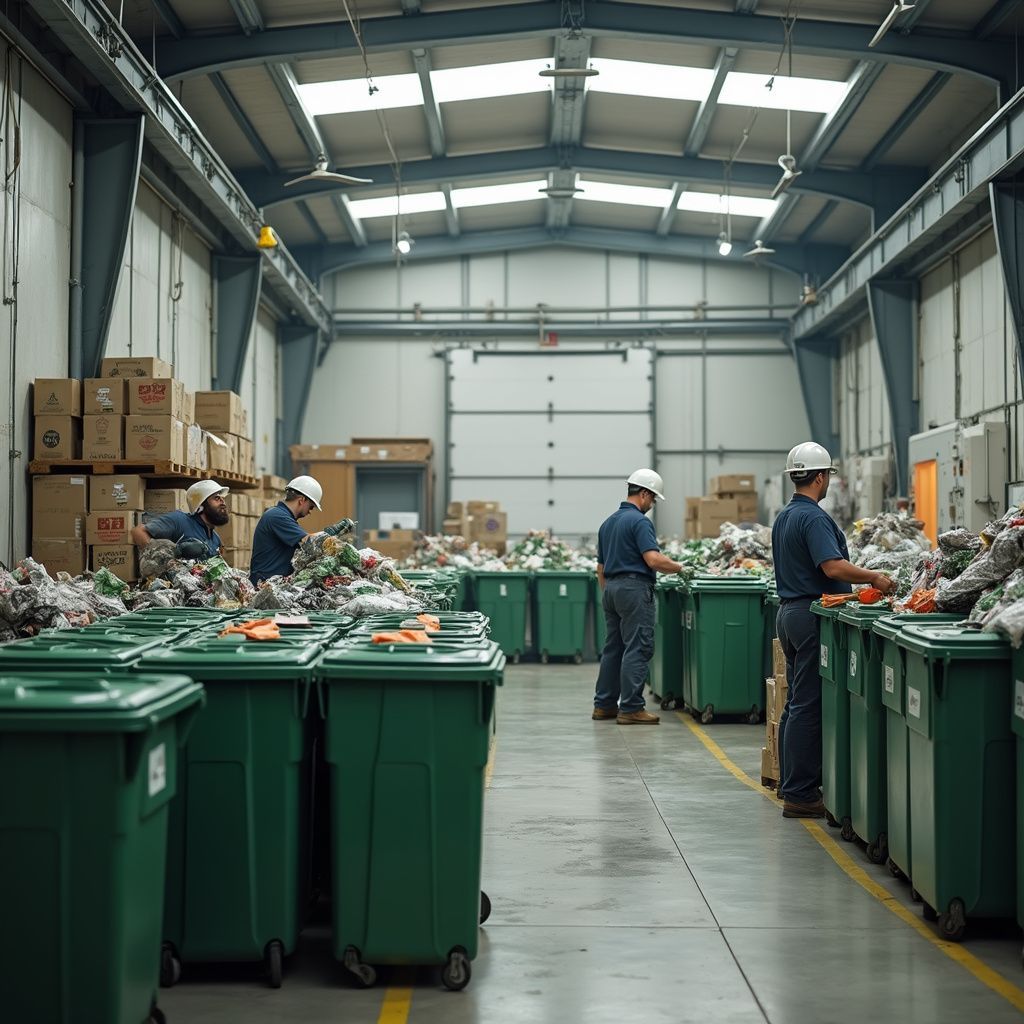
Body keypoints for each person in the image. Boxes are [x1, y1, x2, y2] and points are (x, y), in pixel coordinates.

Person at [772, 442, 894, 820]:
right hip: (809, 616)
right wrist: (873, 576)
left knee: (796, 703)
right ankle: (800, 792)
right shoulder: (813, 518)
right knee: (808, 704)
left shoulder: (785, 516)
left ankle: (790, 781)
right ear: (821, 477)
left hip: (790, 613)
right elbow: (833, 567)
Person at [592, 469, 685, 725]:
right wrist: (680, 567)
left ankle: (604, 705)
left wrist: (611, 593)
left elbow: (600, 569)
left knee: (614, 648)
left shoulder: (608, 523)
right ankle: (631, 707)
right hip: (634, 590)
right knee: (638, 646)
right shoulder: (640, 522)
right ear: (644, 494)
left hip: (610, 590)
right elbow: (653, 559)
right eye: (653, 499)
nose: (652, 504)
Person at [249, 475, 354, 585]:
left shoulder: (283, 517)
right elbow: (308, 542)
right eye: (311, 507)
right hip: (265, 585)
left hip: (273, 583)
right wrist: (330, 533)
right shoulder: (277, 516)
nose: (310, 511)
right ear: (302, 500)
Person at [130, 479, 229, 560]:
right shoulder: (180, 521)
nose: (223, 502)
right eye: (216, 498)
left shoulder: (215, 539)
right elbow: (138, 531)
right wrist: (164, 560)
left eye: (222, 498)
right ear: (201, 505)